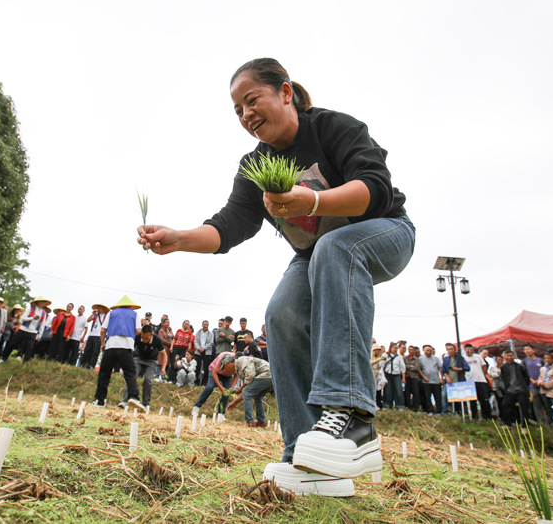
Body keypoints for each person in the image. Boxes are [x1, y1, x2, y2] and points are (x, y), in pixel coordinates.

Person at [137, 58, 414, 496]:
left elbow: (374, 186)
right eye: (237, 110)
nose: (246, 115)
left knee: (336, 247)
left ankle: (353, 419)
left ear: (286, 92)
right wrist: (179, 238)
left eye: (252, 101)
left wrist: (313, 201)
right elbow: (230, 224)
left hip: (384, 232)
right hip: (317, 256)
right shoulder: (255, 164)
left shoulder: (331, 128)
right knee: (282, 312)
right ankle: (307, 457)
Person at [89, 295, 147, 412]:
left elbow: (103, 330)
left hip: (111, 345)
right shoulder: (134, 314)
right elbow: (138, 330)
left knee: (104, 373)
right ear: (130, 306)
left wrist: (102, 343)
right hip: (126, 346)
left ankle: (100, 400)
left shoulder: (112, 313)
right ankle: (134, 397)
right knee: (130, 373)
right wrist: (130, 335)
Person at [126, 324, 168, 412]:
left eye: (147, 338)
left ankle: (145, 404)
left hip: (151, 361)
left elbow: (164, 355)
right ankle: (125, 400)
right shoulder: (137, 338)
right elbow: (129, 350)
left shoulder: (157, 339)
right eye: (143, 337)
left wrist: (163, 368)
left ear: (151, 335)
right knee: (132, 376)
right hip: (138, 358)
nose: (144, 340)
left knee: (148, 380)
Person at [0, 297, 51, 364]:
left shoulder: (44, 313)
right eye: (41, 301)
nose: (42, 303)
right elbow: (22, 318)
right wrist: (32, 318)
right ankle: (4, 358)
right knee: (12, 343)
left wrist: (39, 335)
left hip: (33, 332)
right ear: (37, 302)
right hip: (24, 329)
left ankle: (25, 362)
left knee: (29, 348)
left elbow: (42, 324)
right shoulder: (31, 309)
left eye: (43, 302)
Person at [192, 352, 237, 419]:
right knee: (210, 387)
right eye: (230, 367)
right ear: (227, 363)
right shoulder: (221, 358)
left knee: (227, 392)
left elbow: (236, 376)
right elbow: (214, 374)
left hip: (227, 376)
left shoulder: (239, 364)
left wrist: (232, 387)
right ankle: (196, 407)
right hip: (214, 371)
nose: (231, 369)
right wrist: (220, 387)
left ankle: (221, 414)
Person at [233, 354, 274, 427]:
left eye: (224, 367)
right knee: (257, 396)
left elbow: (251, 375)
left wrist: (241, 388)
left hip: (266, 374)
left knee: (246, 391)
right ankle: (261, 422)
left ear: (229, 363)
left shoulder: (241, 360)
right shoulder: (239, 367)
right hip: (272, 376)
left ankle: (250, 421)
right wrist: (235, 402)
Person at [499, 350, 531, 427]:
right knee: (505, 405)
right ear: (505, 356)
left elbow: (526, 378)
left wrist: (524, 387)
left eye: (511, 355)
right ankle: (508, 423)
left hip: (521, 390)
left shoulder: (520, 366)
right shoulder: (503, 367)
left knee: (524, 408)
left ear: (514, 356)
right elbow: (502, 378)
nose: (509, 357)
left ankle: (525, 425)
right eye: (508, 356)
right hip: (510, 390)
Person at [463, 344, 491, 420]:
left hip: (481, 380)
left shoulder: (478, 357)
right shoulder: (463, 358)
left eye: (471, 349)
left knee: (484, 400)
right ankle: (474, 417)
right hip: (469, 382)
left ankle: (487, 417)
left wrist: (483, 375)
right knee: (472, 401)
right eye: (468, 349)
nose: (469, 351)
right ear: (465, 350)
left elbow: (484, 366)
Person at [418, 344, 444, 415]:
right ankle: (430, 411)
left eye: (430, 351)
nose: (429, 352)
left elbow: (440, 368)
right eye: (427, 350)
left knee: (438, 397)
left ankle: (439, 411)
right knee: (427, 397)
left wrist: (441, 378)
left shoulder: (436, 358)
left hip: (436, 381)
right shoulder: (420, 359)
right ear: (424, 351)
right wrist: (423, 376)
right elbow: (419, 369)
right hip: (426, 381)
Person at [81, 304, 108, 369]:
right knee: (87, 350)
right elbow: (88, 320)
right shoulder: (95, 315)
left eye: (100, 307)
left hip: (99, 336)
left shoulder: (106, 316)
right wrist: (94, 313)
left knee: (95, 352)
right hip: (91, 334)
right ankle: (83, 364)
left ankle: (92, 366)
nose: (99, 308)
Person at [382, 342, 405, 409]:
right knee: (388, 390)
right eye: (394, 348)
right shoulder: (386, 355)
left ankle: (400, 406)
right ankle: (388, 405)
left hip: (396, 374)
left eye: (397, 349)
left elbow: (403, 368)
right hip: (387, 374)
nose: (395, 350)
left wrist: (403, 378)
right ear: (391, 348)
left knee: (398, 390)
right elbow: (382, 365)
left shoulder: (399, 357)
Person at [193, 320, 214, 385]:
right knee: (197, 367)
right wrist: (199, 348)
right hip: (198, 352)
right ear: (202, 325)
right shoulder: (198, 332)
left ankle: (204, 382)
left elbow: (211, 343)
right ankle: (196, 381)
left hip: (206, 352)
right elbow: (195, 342)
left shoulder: (211, 333)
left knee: (206, 368)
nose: (205, 326)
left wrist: (204, 348)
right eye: (204, 324)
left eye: (207, 325)